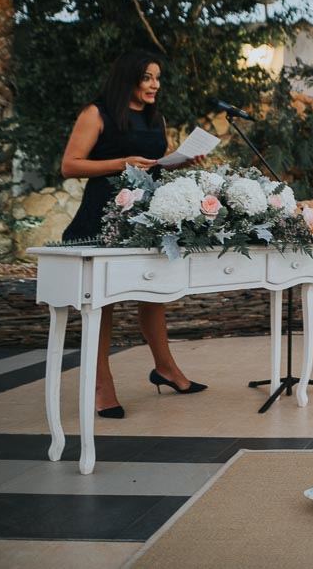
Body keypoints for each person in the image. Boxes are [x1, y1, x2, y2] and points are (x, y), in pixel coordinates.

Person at [61, 50, 207, 419]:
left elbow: (152, 162)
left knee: (154, 293)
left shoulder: (156, 117)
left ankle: (166, 369)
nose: (155, 84)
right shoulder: (95, 113)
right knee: (103, 303)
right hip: (103, 215)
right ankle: (101, 385)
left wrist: (179, 159)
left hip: (145, 214)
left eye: (158, 77)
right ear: (127, 78)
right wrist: (121, 163)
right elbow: (70, 165)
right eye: (147, 77)